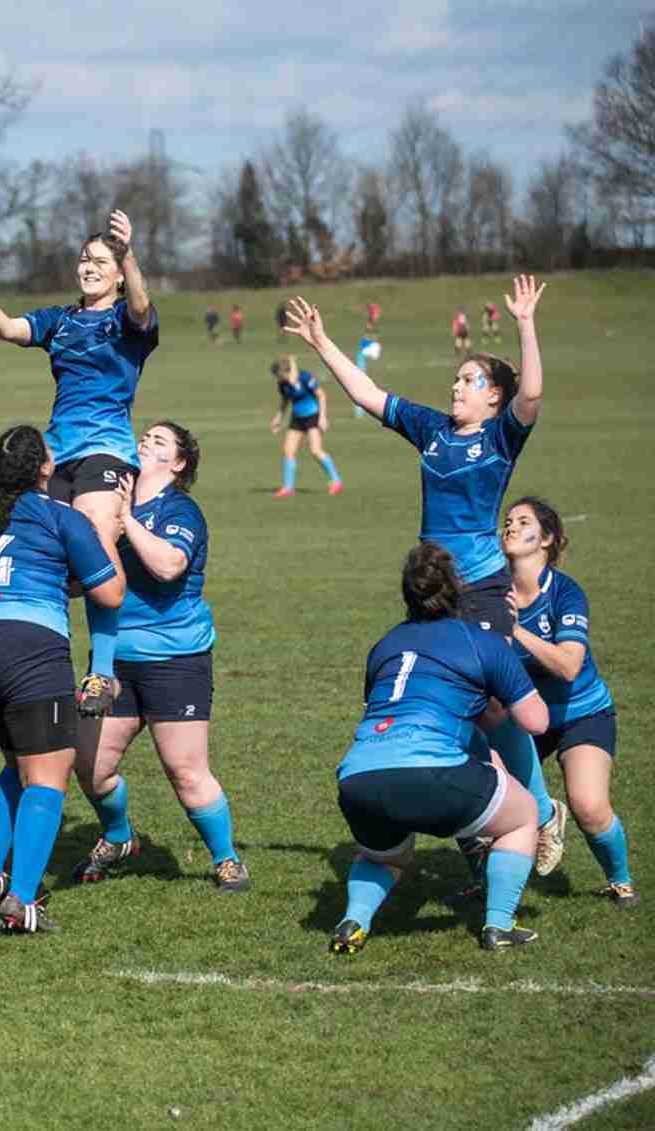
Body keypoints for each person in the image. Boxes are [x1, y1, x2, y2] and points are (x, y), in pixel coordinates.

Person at [283, 277, 566, 873]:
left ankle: (540, 813)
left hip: (484, 587)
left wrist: (525, 322)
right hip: (434, 589)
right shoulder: (433, 430)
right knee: (455, 705)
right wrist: (322, 342)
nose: (456, 387)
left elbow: (534, 396)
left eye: (470, 380)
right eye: (458, 379)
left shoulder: (500, 437)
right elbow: (367, 393)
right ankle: (481, 833)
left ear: (494, 397)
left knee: (494, 704)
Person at [0, 209, 157, 718]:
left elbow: (141, 303)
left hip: (106, 448)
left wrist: (130, 256)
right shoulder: (60, 320)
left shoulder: (126, 322)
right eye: (84, 259)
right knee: (44, 550)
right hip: (55, 452)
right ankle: (44, 654)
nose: (89, 267)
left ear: (116, 270)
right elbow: (11, 330)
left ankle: (101, 673)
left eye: (100, 261)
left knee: (95, 537)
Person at [330, 542, 549, 954]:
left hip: (358, 775)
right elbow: (536, 721)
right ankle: (499, 926)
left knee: (383, 857)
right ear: (458, 589)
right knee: (523, 816)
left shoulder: (384, 645)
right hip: (430, 771)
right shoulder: (481, 641)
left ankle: (352, 922)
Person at [0, 425, 126, 934]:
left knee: (18, 763)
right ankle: (24, 900)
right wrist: (107, 541)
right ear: (46, 470)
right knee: (49, 777)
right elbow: (111, 594)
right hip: (28, 648)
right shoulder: (61, 516)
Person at [72, 422, 248, 893]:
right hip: (114, 662)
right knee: (90, 766)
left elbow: (170, 566)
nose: (147, 442)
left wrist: (128, 520)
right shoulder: (105, 506)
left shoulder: (181, 510)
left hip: (176, 658)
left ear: (179, 463)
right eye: (145, 436)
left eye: (160, 442)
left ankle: (226, 858)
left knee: (186, 774)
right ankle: (118, 836)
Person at [502, 498, 636, 907]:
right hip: (526, 719)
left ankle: (620, 880)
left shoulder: (565, 592)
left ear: (545, 540)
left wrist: (516, 633)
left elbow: (568, 666)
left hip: (583, 712)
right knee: (479, 794)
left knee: (589, 806)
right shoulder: (492, 590)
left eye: (523, 522)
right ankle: (486, 879)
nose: (510, 526)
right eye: (507, 521)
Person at [269, 355, 344, 498]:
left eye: (278, 375)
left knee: (315, 450)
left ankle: (337, 481)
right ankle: (288, 488)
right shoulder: (282, 384)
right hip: (297, 418)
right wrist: (278, 418)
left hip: (312, 416)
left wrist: (322, 417)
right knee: (289, 451)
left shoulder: (305, 378)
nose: (277, 378)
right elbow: (285, 401)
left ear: (285, 371)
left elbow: (321, 395)